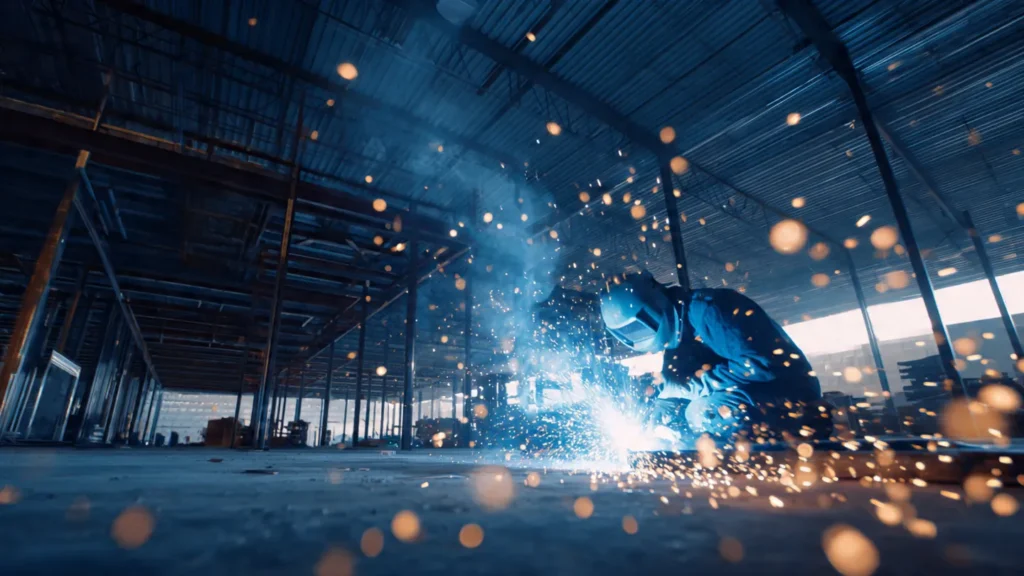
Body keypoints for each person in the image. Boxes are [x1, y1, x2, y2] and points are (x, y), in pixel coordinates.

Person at [600, 270, 831, 440]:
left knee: (701, 412)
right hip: (746, 394)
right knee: (671, 418)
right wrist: (656, 413)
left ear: (655, 303)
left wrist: (695, 386)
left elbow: (760, 365)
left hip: (789, 392)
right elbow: (673, 387)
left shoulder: (710, 309)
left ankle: (808, 422)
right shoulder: (677, 335)